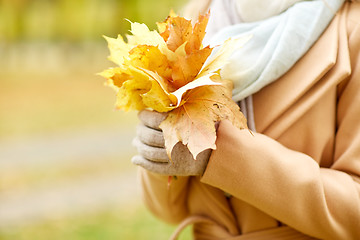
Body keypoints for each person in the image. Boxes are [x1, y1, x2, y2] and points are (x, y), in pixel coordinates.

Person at [131, 0, 360, 239]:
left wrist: (218, 154)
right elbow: (168, 211)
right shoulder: (196, 19)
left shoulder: (351, 29)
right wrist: (158, 151)